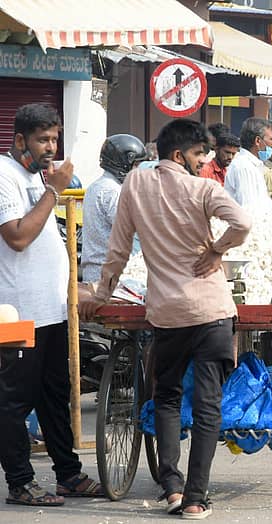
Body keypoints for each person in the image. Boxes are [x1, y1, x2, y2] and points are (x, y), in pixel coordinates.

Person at [80, 119, 251, 520]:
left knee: (167, 397)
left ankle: (172, 488)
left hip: (168, 315)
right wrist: (217, 251)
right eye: (197, 156)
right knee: (208, 405)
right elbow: (242, 223)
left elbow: (119, 249)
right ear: (179, 155)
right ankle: (196, 498)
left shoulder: (135, 187)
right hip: (211, 313)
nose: (201, 163)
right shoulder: (204, 188)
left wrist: (103, 293)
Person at [0, 103, 104, 506]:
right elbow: (18, 237)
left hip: (52, 310)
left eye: (54, 138)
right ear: (19, 139)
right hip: (17, 311)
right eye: (42, 139)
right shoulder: (6, 176)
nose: (50, 147)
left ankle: (69, 475)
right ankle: (20, 482)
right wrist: (53, 190)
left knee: (56, 397)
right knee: (13, 402)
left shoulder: (37, 177)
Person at [81, 134, 149, 283]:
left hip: (95, 270)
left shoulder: (96, 186)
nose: (138, 171)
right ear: (123, 163)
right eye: (135, 165)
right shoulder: (113, 191)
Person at [224, 117, 272, 217]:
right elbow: (249, 209)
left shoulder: (254, 165)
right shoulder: (244, 167)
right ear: (258, 141)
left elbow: (264, 202)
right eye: (271, 139)